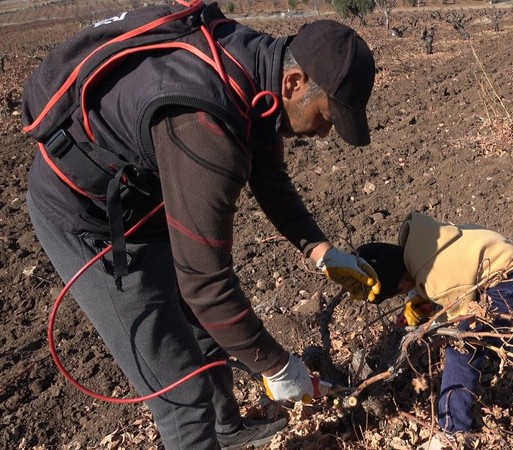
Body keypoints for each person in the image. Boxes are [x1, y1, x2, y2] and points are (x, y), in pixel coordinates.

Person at [22, 3, 380, 449]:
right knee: (182, 396)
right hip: (89, 221)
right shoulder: (206, 122)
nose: (325, 133)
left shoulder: (257, 68)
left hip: (146, 195)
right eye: (326, 116)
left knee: (202, 333)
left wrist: (321, 251)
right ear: (295, 82)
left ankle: (228, 431)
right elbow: (206, 282)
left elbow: (269, 178)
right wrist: (277, 366)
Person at [357, 212, 513, 450]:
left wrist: (445, 325)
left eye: (400, 293)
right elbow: (438, 284)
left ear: (402, 285)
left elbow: (458, 317)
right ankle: (499, 342)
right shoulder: (417, 244)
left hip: (511, 280)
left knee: (462, 351)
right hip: (491, 262)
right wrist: (415, 311)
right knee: (460, 328)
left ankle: (455, 431)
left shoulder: (438, 281)